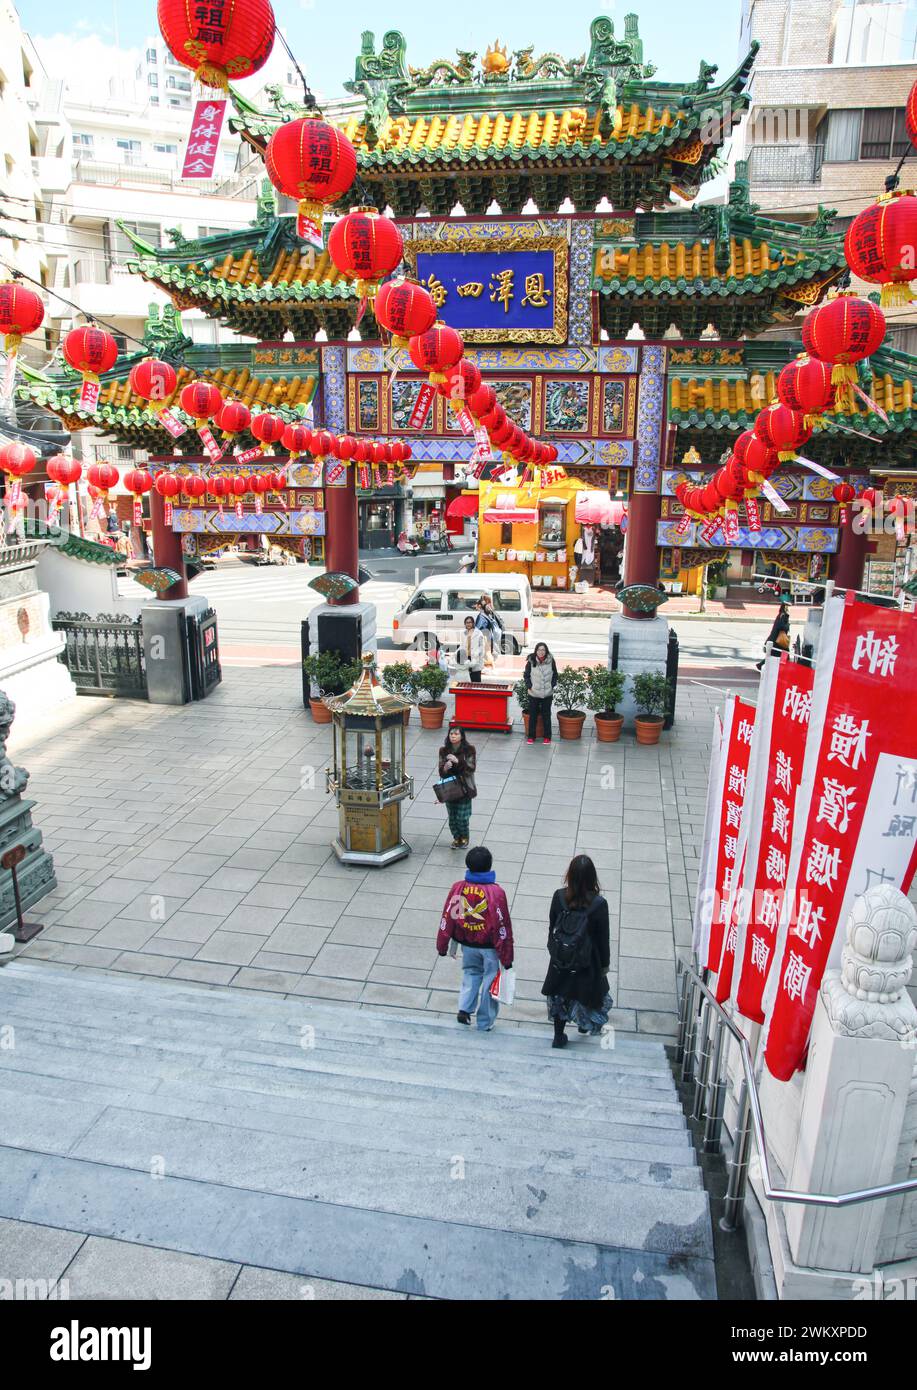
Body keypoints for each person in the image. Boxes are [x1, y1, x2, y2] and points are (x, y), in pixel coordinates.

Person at [437, 844, 513, 1031]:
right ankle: (485, 1021)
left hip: (467, 944)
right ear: (490, 866)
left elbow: (449, 916)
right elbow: (502, 925)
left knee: (471, 973)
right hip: (489, 947)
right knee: (490, 979)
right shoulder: (496, 893)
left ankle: (464, 1008)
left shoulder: (458, 888)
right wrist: (507, 957)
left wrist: (442, 944)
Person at [542, 854, 612, 1049]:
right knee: (585, 991)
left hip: (562, 957)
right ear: (592, 877)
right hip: (587, 960)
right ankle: (584, 1024)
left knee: (560, 993)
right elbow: (602, 938)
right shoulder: (598, 904)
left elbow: (552, 926)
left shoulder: (559, 896)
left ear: (570, 875)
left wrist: (556, 951)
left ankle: (558, 1035)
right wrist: (604, 964)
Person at [438, 725, 477, 848]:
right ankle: (456, 838)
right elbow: (441, 771)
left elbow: (471, 769)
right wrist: (445, 768)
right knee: (452, 817)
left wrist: (458, 761)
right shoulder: (443, 750)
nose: (453, 736)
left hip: (464, 787)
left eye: (456, 734)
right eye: (451, 734)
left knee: (462, 817)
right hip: (450, 788)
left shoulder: (469, 750)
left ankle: (464, 837)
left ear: (462, 736)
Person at [523, 641, 558, 745]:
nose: (541, 652)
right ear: (536, 651)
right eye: (539, 650)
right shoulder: (531, 661)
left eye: (543, 650)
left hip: (547, 693)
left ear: (546, 651)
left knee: (546, 715)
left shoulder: (551, 661)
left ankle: (547, 737)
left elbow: (555, 674)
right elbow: (526, 675)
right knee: (533, 715)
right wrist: (530, 686)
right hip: (534, 693)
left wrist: (552, 685)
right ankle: (531, 736)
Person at [756, 602, 790, 670]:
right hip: (778, 640)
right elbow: (781, 626)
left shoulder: (781, 615)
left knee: (775, 654)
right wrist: (788, 626)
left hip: (776, 639)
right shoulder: (783, 615)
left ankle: (761, 665)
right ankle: (784, 667)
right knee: (783, 653)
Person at [457, 614, 486, 683]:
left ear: (473, 623)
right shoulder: (463, 633)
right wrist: (456, 653)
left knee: (476, 680)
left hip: (475, 658)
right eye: (467, 623)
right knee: (467, 679)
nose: (468, 624)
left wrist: (477, 654)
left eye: (470, 622)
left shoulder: (478, 633)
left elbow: (482, 646)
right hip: (466, 658)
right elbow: (462, 645)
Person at [474, 593, 503, 658]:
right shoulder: (491, 612)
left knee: (487, 660)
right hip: (494, 641)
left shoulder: (482, 616)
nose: (476, 606)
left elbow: (477, 630)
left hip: (487, 644)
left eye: (478, 604)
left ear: (480, 605)